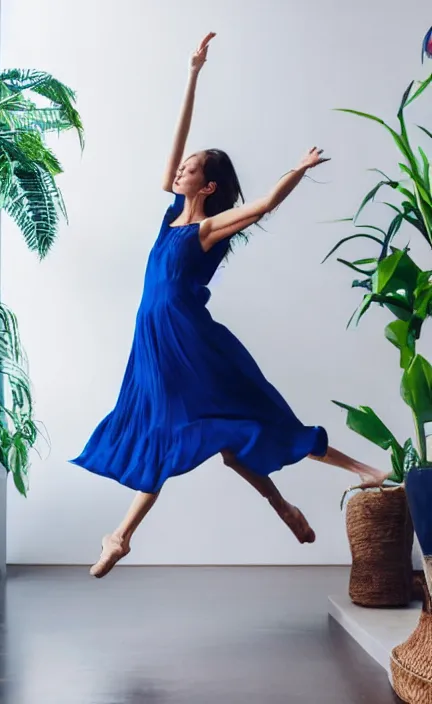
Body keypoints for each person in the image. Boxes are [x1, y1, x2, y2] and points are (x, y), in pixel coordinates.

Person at [71, 33, 388, 578]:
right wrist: (193, 74)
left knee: (216, 427)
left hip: (187, 339)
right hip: (153, 338)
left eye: (191, 169)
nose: (180, 170)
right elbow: (175, 144)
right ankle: (284, 505)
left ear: (209, 184)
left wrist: (299, 169)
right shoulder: (172, 213)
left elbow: (263, 204)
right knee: (222, 436)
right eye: (183, 167)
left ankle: (121, 535)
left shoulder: (206, 227)